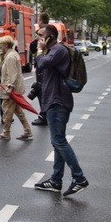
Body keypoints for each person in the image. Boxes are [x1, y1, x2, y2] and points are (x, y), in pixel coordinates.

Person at [34, 23, 89, 196]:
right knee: (57, 141)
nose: (38, 38)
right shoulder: (54, 51)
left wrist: (40, 50)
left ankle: (79, 178)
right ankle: (56, 180)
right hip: (54, 100)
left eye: (41, 35)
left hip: (57, 101)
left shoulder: (58, 50)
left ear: (49, 36)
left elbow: (42, 64)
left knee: (59, 141)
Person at [0, 36, 31, 140]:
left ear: (5, 45)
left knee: (6, 110)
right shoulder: (10, 54)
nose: (0, 47)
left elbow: (12, 74)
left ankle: (6, 132)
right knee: (18, 111)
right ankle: (27, 131)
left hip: (10, 89)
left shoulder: (10, 57)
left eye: (1, 45)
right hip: (13, 87)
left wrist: (10, 87)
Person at [31, 12, 51, 126]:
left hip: (41, 63)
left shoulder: (42, 31)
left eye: (38, 20)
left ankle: (44, 115)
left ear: (41, 21)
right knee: (44, 90)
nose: (37, 22)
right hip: (44, 62)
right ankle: (45, 114)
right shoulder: (49, 30)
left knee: (41, 90)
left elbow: (35, 46)